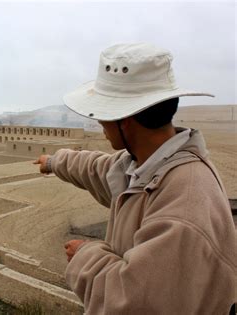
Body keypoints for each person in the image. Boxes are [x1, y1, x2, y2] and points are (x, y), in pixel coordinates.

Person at [34, 43, 236, 314]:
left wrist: (84, 256)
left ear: (125, 119)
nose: (101, 125)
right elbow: (102, 170)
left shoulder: (183, 204)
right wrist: (55, 162)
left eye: (104, 115)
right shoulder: (151, 164)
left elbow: (136, 301)